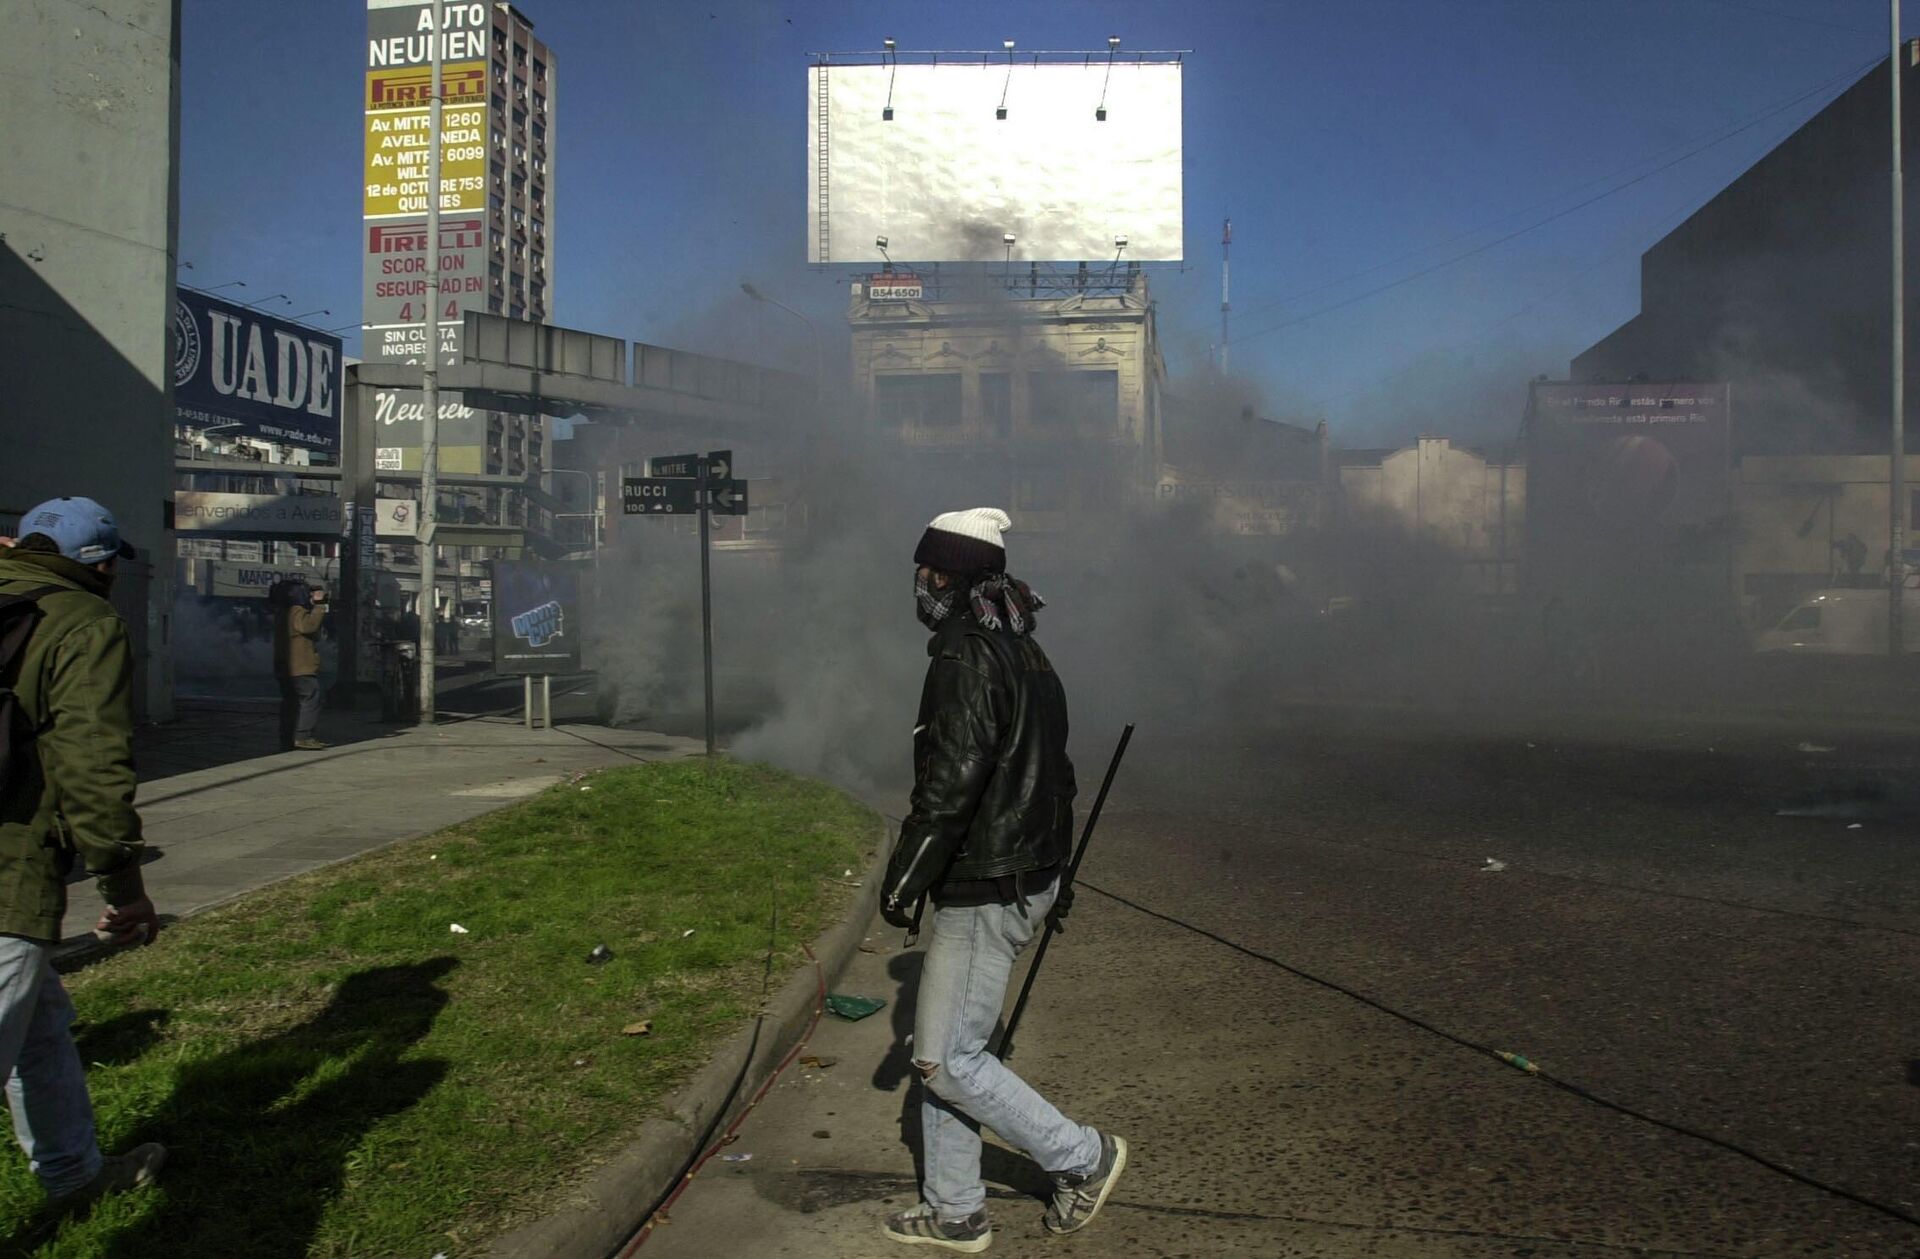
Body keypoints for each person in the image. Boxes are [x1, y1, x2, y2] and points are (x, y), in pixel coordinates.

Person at [878, 508, 1126, 1253]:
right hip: (1024, 871)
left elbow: (953, 781)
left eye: (927, 572)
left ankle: (1083, 1157)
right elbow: (1059, 776)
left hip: (986, 882)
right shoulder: (1025, 649)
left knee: (946, 1057)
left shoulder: (963, 652)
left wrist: (903, 879)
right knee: (948, 1046)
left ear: (948, 575)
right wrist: (1057, 878)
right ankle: (956, 1209)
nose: (920, 585)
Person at [0, 497, 166, 1206]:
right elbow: (93, 770)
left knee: (41, 1027)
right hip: (8, 875)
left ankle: (73, 1173)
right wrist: (124, 888)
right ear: (99, 566)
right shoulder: (85, 623)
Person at [272, 579, 329, 750]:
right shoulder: (296, 611)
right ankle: (304, 736)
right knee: (311, 697)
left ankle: (287, 738)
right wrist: (319, 606)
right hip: (299, 666)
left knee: (290, 702)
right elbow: (308, 627)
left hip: (285, 665)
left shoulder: (282, 612)